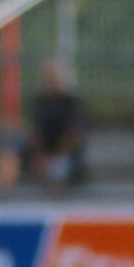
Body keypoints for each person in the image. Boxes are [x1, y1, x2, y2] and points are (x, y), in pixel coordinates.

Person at [24, 58, 87, 187]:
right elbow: (35, 132)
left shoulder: (72, 104)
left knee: (58, 169)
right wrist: (40, 155)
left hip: (64, 154)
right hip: (43, 153)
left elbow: (72, 136)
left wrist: (52, 158)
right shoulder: (40, 103)